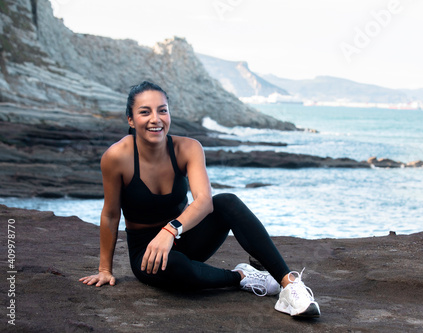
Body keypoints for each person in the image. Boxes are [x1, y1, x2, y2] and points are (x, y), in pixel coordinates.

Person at [79, 81, 320, 318]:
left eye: (162, 110)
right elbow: (111, 214)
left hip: (183, 235)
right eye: (145, 112)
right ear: (131, 120)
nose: (156, 119)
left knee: (228, 201)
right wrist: (104, 269)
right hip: (146, 252)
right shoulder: (116, 157)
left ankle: (288, 285)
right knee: (176, 267)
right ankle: (243, 277)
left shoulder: (189, 148)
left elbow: (204, 201)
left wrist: (170, 230)